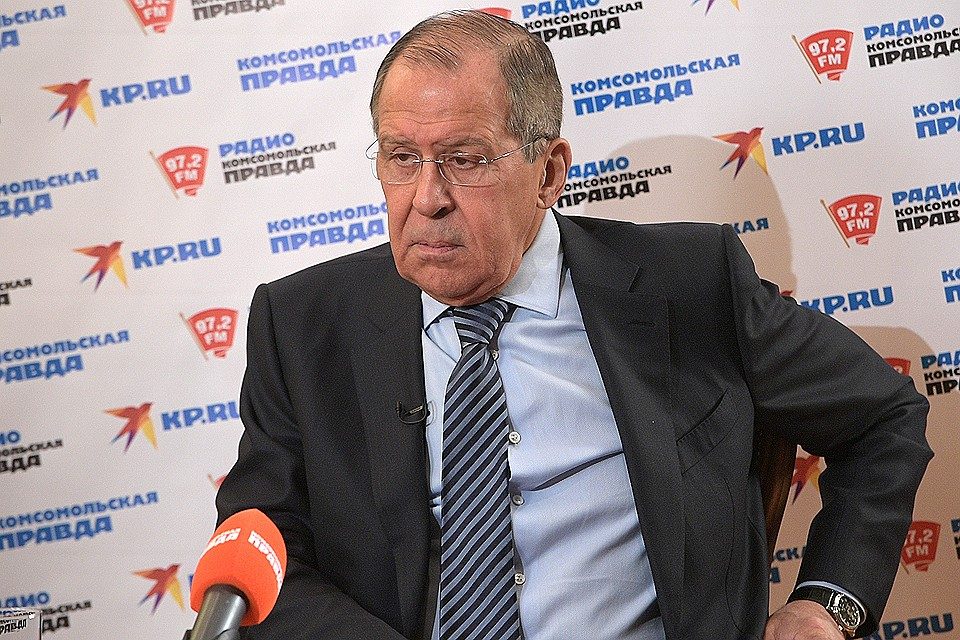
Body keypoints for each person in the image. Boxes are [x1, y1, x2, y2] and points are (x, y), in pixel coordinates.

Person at [216, 10, 931, 640]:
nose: (426, 197)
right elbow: (266, 552)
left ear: (549, 173)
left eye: (465, 160)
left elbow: (882, 417)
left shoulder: (688, 287)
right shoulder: (304, 326)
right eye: (402, 158)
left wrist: (826, 604)